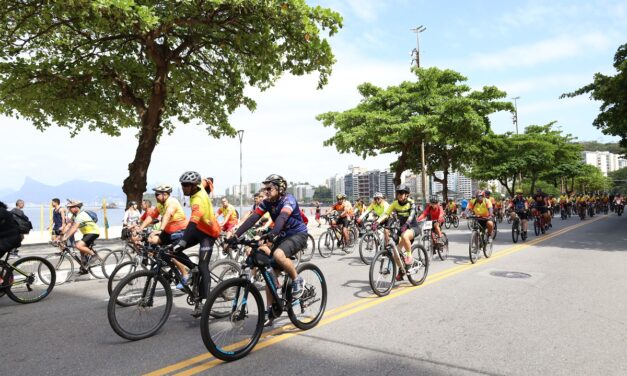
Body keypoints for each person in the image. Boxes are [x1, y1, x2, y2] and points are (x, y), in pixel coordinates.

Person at [229, 174, 308, 327]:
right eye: (264, 188)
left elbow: (282, 218)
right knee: (269, 274)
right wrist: (236, 235)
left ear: (279, 188)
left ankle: (298, 279)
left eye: (269, 188)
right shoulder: (266, 203)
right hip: (282, 236)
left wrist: (271, 234)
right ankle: (270, 310)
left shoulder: (288, 200)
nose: (265, 191)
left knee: (278, 255)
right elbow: (252, 219)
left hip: (297, 234)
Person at [170, 171, 221, 317]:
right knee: (173, 251)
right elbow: (208, 179)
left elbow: (192, 222)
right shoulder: (200, 185)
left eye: (186, 185)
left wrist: (183, 241)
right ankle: (193, 269)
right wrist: (209, 184)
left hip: (209, 233)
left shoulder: (198, 200)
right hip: (199, 229)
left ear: (193, 186)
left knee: (203, 265)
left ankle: (205, 301)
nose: (184, 187)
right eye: (182, 185)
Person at [143, 184, 190, 288]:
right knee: (152, 240)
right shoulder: (160, 204)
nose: (155, 196)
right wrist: (140, 228)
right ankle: (165, 265)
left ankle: (185, 273)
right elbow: (151, 217)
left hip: (180, 231)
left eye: (157, 194)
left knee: (172, 253)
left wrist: (160, 230)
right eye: (155, 194)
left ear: (165, 194)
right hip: (169, 231)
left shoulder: (172, 202)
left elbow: (167, 215)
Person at [374, 185, 418, 280]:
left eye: (402, 193)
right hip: (402, 228)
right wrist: (377, 222)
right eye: (398, 193)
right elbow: (386, 214)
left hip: (413, 227)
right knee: (395, 254)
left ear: (407, 194)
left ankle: (409, 256)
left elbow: (411, 215)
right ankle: (402, 271)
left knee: (404, 235)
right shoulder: (395, 203)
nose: (399, 195)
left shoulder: (411, 202)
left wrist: (406, 224)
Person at [60, 200, 102, 273]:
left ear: (76, 207)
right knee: (82, 252)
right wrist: (61, 235)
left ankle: (94, 255)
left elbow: (74, 228)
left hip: (93, 232)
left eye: (71, 207)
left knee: (78, 245)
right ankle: (84, 268)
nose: (69, 209)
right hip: (87, 233)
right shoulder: (74, 216)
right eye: (69, 208)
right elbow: (69, 225)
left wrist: (65, 238)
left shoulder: (81, 215)